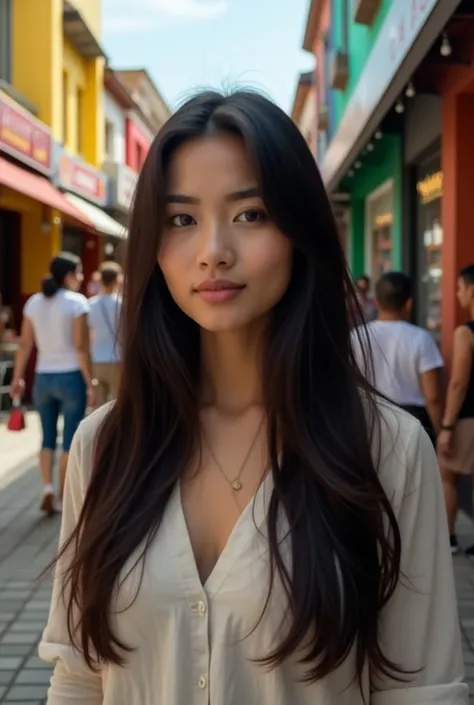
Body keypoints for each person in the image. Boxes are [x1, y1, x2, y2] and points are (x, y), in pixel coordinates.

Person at [39, 91, 466, 705]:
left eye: (251, 213)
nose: (213, 249)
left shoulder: (387, 448)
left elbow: (423, 690)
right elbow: (80, 677)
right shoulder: (105, 445)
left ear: (299, 232)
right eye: (181, 220)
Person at [10, 253, 96, 514]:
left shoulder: (34, 303)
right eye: (79, 273)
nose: (81, 279)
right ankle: (63, 497)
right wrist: (89, 382)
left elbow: (25, 345)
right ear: (69, 275)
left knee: (46, 438)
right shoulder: (77, 302)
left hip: (43, 378)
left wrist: (17, 377)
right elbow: (81, 347)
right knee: (69, 440)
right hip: (71, 377)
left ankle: (47, 488)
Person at [351, 272, 444, 445]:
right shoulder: (421, 338)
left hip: (368, 420)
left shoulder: (356, 337)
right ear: (409, 304)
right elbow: (433, 395)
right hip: (413, 423)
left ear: (376, 302)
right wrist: (440, 430)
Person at [438, 264, 474, 555]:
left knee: (447, 474)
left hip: (468, 418)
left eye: (460, 288)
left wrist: (447, 426)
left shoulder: (466, 332)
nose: (458, 294)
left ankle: (448, 538)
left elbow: (459, 382)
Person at [88, 261, 122, 407]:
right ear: (117, 279)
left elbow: (87, 334)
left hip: (96, 359)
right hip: (118, 358)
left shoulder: (90, 304)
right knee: (117, 404)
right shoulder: (122, 304)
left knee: (99, 407)